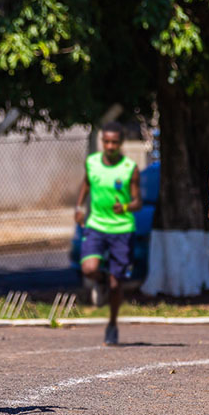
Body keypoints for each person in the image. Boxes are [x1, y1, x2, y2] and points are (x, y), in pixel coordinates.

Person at [75, 121, 142, 346]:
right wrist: (79, 207)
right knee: (89, 268)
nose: (110, 145)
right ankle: (101, 281)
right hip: (96, 226)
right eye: (106, 141)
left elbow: (137, 202)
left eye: (115, 142)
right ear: (102, 141)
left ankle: (112, 323)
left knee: (117, 285)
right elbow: (85, 185)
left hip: (122, 230)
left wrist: (123, 207)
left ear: (121, 143)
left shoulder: (129, 168)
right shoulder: (92, 163)